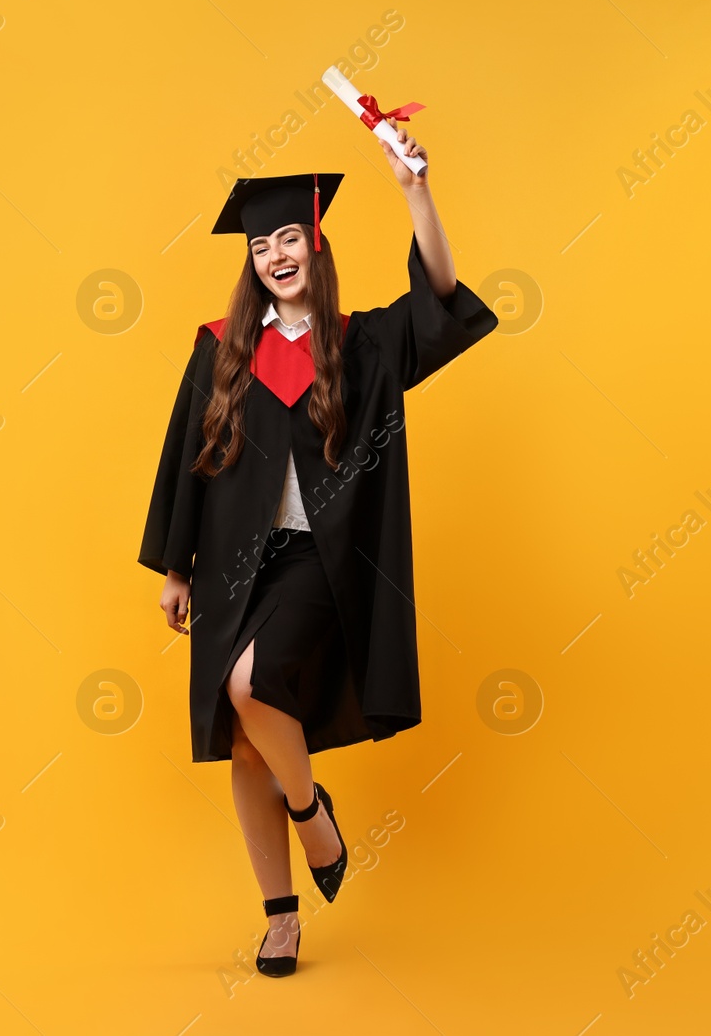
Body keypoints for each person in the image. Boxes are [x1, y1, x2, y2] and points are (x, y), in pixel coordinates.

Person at [138, 123, 497, 976]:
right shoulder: (220, 351)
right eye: (261, 245)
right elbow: (185, 456)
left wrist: (415, 191)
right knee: (245, 740)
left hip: (316, 564)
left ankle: (312, 815)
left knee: (248, 682)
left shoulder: (361, 346)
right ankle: (281, 919)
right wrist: (178, 567)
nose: (275, 255)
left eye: (289, 237)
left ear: (316, 242)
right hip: (232, 562)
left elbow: (441, 299)